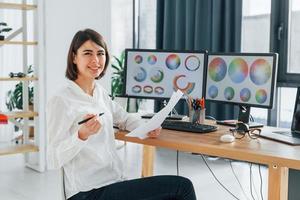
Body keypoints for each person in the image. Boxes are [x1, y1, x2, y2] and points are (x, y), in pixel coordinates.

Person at [47, 28, 196, 200]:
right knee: (181, 188)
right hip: (87, 192)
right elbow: (53, 159)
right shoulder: (61, 99)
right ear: (74, 57)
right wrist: (81, 135)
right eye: (87, 53)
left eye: (100, 53)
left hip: (113, 182)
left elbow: (124, 119)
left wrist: (147, 127)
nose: (95, 60)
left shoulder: (99, 92)